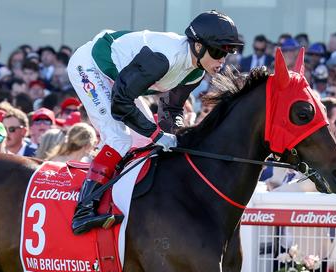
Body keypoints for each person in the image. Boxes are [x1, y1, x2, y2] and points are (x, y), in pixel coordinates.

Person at [67, 10, 243, 234]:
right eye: (218, 51)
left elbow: (171, 108)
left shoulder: (195, 71)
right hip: (91, 66)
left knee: (142, 141)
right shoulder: (163, 58)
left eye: (228, 53)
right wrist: (158, 135)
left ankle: (120, 196)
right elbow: (121, 103)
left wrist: (178, 139)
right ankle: (83, 209)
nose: (222, 60)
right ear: (198, 46)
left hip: (121, 80)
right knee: (119, 138)